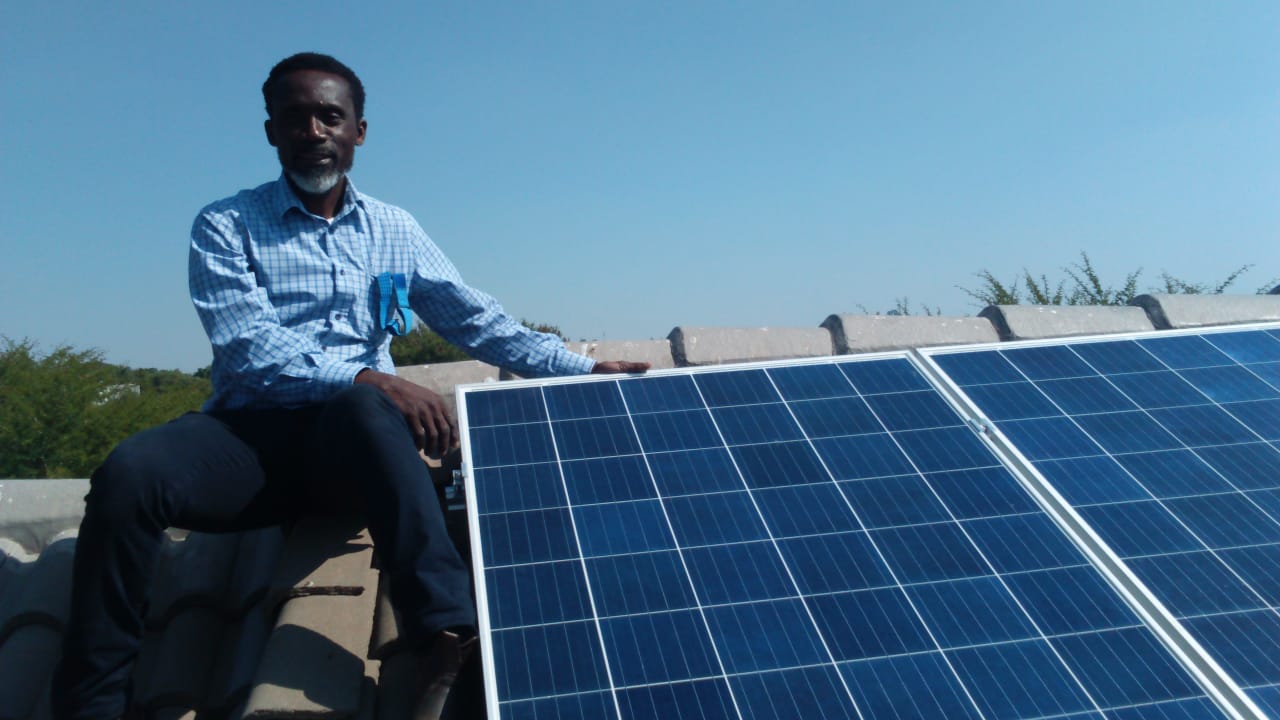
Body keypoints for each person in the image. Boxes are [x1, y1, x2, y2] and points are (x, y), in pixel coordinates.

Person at [52, 51, 649, 720]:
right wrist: (369, 376)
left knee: (364, 407)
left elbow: (474, 319)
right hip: (249, 443)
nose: (314, 131)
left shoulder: (394, 229)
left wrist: (578, 368)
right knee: (129, 474)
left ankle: (449, 641)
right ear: (272, 131)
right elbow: (248, 346)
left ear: (358, 131)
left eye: (330, 117)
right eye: (295, 118)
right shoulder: (225, 224)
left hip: (353, 450)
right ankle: (91, 700)